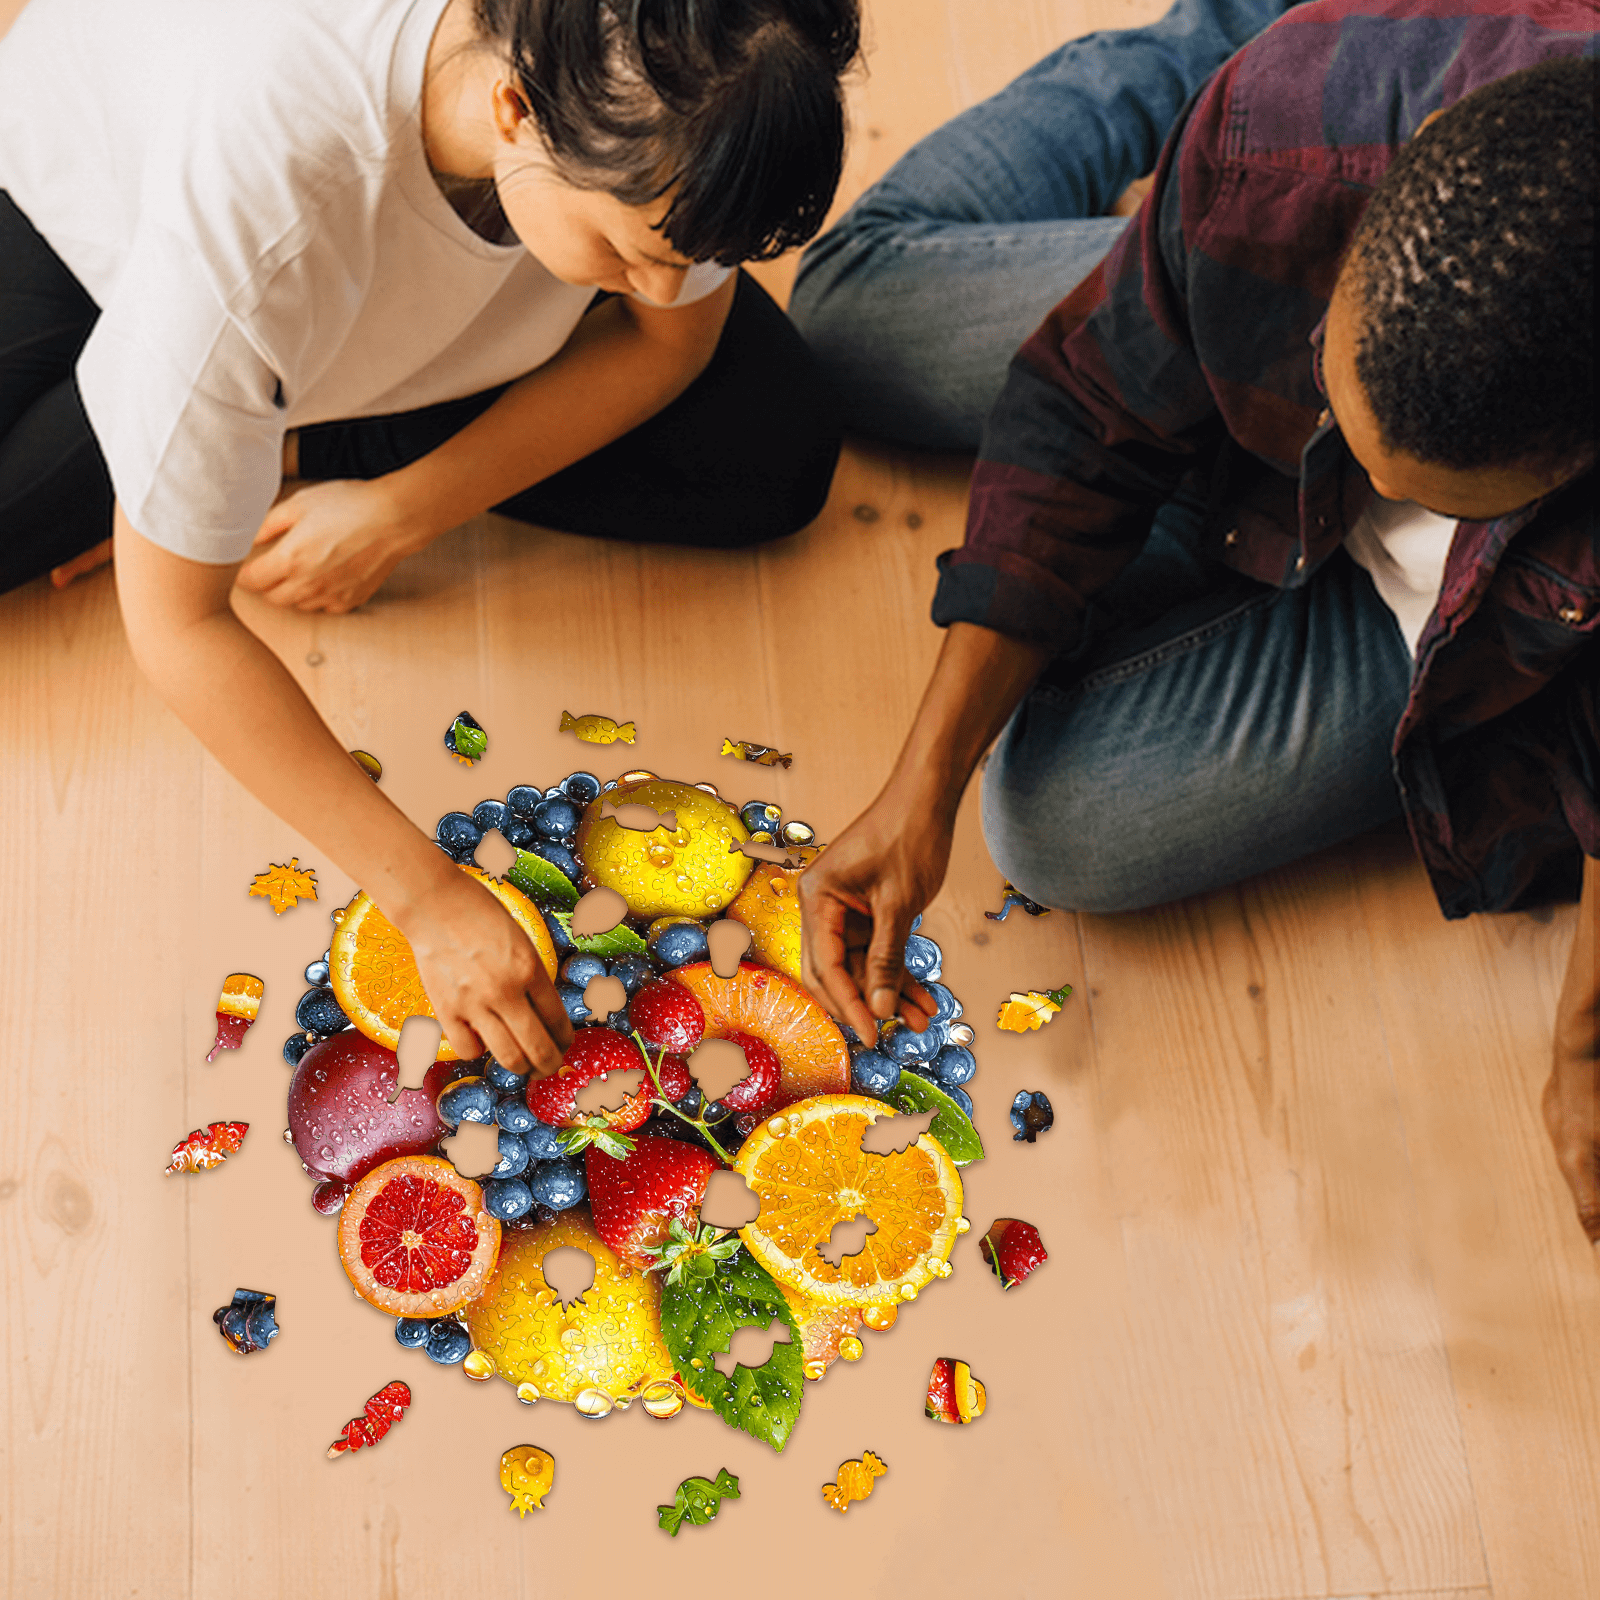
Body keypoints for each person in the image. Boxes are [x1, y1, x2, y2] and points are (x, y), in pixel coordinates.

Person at [794, 3, 1600, 1238]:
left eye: (1429, 492)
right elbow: (1084, 412)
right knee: (845, 315)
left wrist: (1583, 1048)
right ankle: (1218, 33)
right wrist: (920, 783)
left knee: (1058, 828)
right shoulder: (1291, 135)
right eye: (1335, 374)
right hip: (1241, 405)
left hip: (1482, 640)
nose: (1371, 487)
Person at [0, 0, 859, 1073]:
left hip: (323, 304)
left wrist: (400, 509)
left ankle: (282, 431)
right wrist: (426, 893)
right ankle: (224, 419)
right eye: (628, 252)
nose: (661, 288)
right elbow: (177, 624)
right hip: (85, 181)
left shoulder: (674, 82)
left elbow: (668, 348)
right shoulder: (259, 214)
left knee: (780, 450)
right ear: (514, 108)